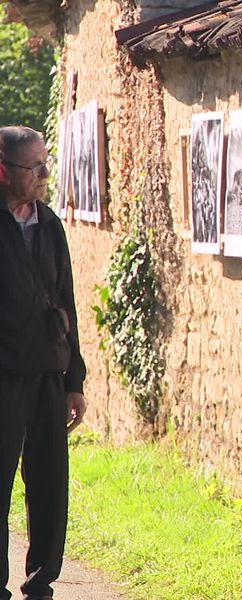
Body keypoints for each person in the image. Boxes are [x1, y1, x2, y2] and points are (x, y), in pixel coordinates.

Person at [0, 126, 87, 600]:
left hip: (48, 376)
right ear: (4, 171)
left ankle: (41, 583)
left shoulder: (49, 223)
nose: (44, 174)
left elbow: (66, 301)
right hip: (3, 376)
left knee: (50, 482)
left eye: (45, 163)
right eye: (35, 167)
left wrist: (74, 379)